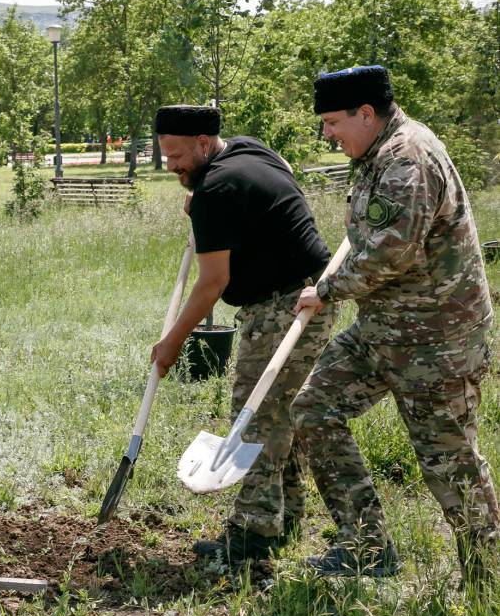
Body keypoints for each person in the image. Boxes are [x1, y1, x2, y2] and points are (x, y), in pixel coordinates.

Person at [292, 65, 499, 584]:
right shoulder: (376, 153)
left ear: (367, 113)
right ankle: (366, 547)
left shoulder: (407, 156)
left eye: (333, 122)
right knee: (314, 410)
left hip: (436, 338)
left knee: (449, 462)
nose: (327, 134)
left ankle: (489, 581)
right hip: (384, 328)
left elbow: (392, 252)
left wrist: (327, 291)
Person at [151, 105, 335, 569]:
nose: (171, 165)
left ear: (203, 142)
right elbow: (276, 183)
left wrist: (172, 341)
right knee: (281, 414)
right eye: (164, 156)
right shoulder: (249, 150)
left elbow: (211, 282)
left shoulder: (216, 189)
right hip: (314, 292)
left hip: (284, 306)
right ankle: (285, 519)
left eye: (177, 156)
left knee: (253, 419)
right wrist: (203, 201)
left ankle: (251, 540)